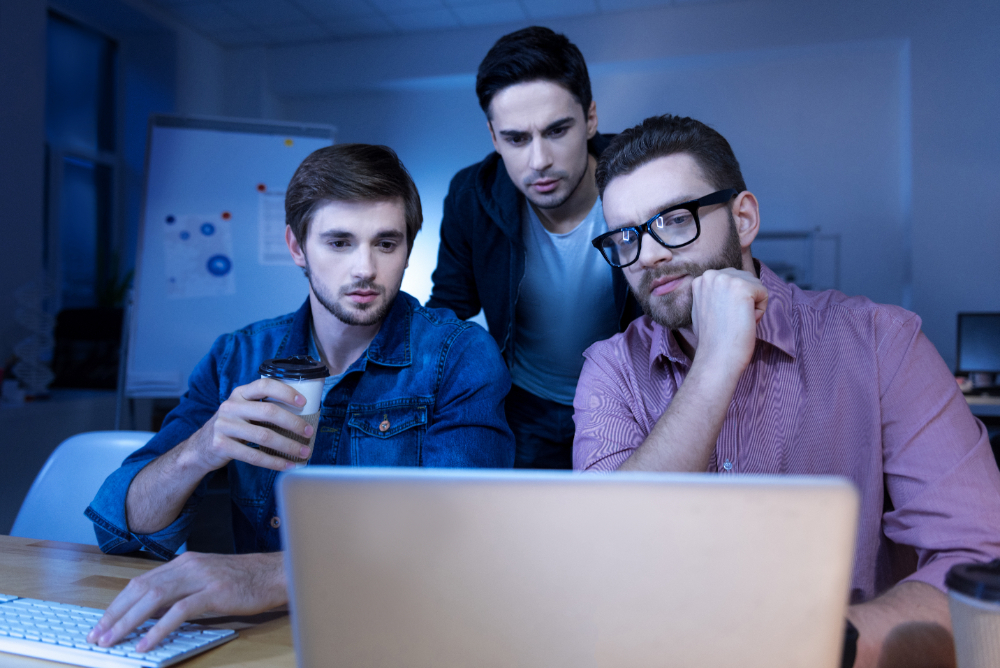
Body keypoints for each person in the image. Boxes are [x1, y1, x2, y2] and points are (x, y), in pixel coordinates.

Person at [573, 114, 1000, 668]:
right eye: (626, 237)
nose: (647, 255)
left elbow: (980, 562)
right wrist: (716, 363)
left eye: (674, 221)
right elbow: (608, 565)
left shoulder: (882, 343)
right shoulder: (610, 369)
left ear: (743, 218)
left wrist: (814, 648)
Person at [85, 143, 515, 652]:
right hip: (264, 641)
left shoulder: (459, 355)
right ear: (296, 246)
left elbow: (462, 538)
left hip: (405, 634)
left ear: (407, 248)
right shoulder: (236, 357)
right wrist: (200, 450)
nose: (364, 269)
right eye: (338, 242)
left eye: (386, 243)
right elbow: (119, 528)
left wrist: (264, 578)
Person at [427, 26, 640, 470]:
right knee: (525, 533)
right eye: (516, 139)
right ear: (492, 136)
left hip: (632, 397)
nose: (539, 160)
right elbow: (449, 307)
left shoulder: (642, 178)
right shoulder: (472, 194)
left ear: (591, 118)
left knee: (623, 531)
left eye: (557, 130)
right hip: (525, 404)